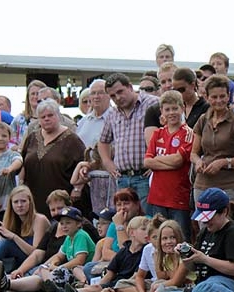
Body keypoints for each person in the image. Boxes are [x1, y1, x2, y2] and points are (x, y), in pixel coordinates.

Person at [154, 188, 234, 292]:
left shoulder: (233, 233)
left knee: (200, 291)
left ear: (224, 212)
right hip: (204, 284)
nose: (205, 222)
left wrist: (205, 259)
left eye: (209, 218)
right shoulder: (205, 232)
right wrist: (187, 257)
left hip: (229, 285)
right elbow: (194, 267)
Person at [98, 73, 160, 209]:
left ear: (131, 87)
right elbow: (103, 141)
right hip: (123, 178)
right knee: (126, 222)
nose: (118, 98)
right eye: (113, 96)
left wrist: (157, 162)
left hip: (145, 176)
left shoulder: (153, 103)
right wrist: (107, 162)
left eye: (120, 92)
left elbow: (169, 132)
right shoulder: (113, 113)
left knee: (148, 222)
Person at [190, 75, 234, 205]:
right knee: (204, 224)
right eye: (214, 97)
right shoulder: (202, 120)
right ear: (206, 97)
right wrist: (198, 162)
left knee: (226, 223)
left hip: (228, 185)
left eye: (222, 96)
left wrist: (224, 162)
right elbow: (193, 153)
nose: (219, 101)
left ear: (228, 95)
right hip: (202, 184)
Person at [65, 214, 149, 292]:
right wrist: (100, 285)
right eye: (144, 229)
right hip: (117, 281)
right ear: (132, 233)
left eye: (149, 231)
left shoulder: (145, 252)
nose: (147, 233)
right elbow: (110, 273)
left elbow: (136, 277)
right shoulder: (124, 251)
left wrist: (115, 288)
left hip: (129, 285)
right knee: (98, 287)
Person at [20, 99, 86, 214]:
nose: (46, 119)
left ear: (58, 116)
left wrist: (78, 189)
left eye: (50, 115)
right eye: (43, 116)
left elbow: (84, 166)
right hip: (34, 199)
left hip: (60, 202)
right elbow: (22, 163)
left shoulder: (72, 140)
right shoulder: (32, 138)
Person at [143, 90, 194, 236]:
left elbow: (178, 161)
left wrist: (157, 160)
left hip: (178, 198)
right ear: (162, 111)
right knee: (160, 239)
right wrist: (169, 162)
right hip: (157, 197)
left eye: (175, 108)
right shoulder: (158, 133)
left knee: (181, 239)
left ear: (182, 108)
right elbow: (147, 162)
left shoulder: (188, 133)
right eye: (167, 109)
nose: (171, 113)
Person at [41, 206, 97, 292]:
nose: (64, 226)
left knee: (72, 269)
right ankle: (53, 287)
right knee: (43, 268)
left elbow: (79, 260)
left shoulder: (80, 235)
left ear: (79, 223)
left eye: (68, 223)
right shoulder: (68, 237)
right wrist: (53, 264)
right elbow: (59, 256)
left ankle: (58, 288)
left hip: (83, 271)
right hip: (70, 270)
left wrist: (59, 267)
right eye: (62, 223)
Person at [75, 79, 115, 214]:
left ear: (109, 95)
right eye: (93, 93)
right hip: (84, 181)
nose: (96, 97)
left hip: (107, 182)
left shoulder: (116, 118)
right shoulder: (83, 122)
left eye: (101, 93)